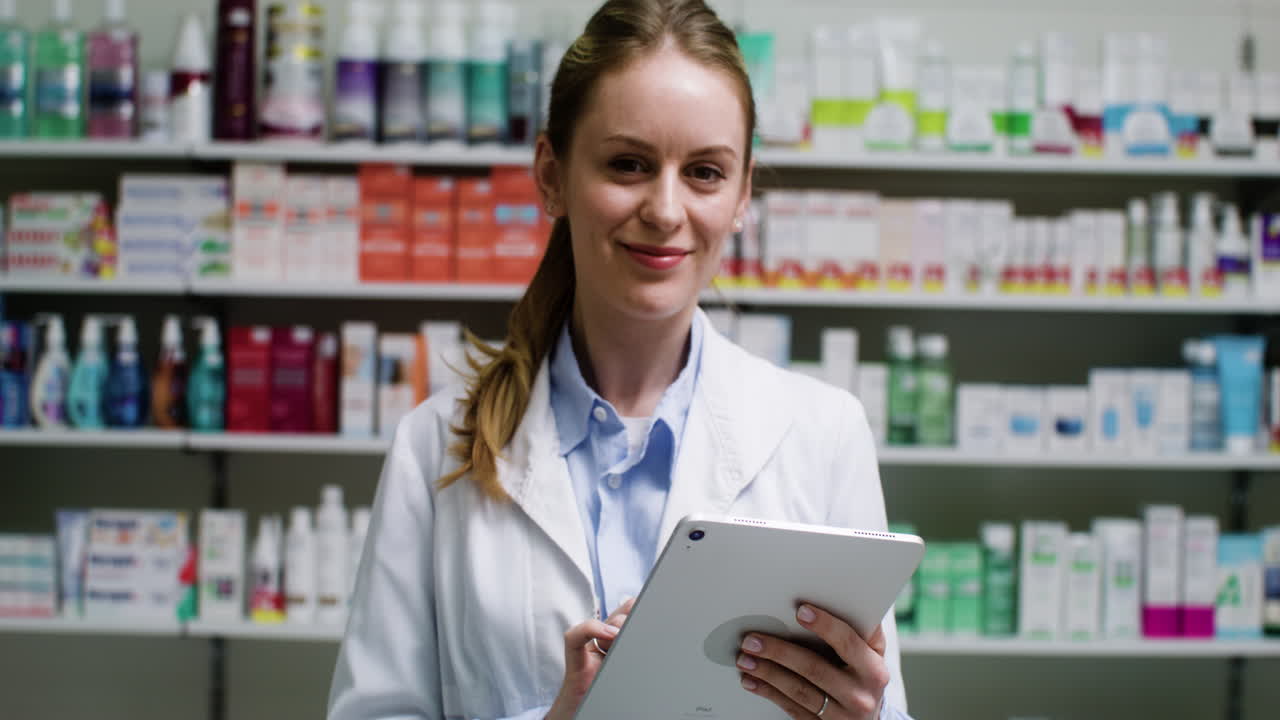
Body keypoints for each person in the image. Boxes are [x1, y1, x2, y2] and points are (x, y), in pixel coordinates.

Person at [327, 1, 912, 718]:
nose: (666, 209)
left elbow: (883, 705)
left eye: (704, 172)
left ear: (742, 195)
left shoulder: (824, 435)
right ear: (551, 175)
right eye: (628, 164)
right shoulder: (433, 446)